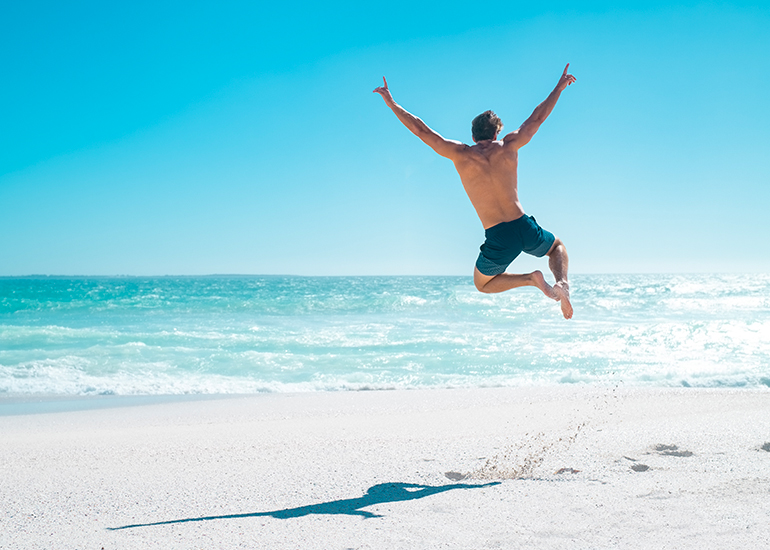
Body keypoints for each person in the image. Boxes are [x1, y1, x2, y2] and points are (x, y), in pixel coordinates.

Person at [373, 64, 576, 319]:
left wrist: (392, 104)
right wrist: (558, 87)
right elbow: (537, 118)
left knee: (483, 284)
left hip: (498, 236)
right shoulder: (508, 147)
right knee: (556, 247)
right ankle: (562, 283)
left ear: (473, 134)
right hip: (523, 225)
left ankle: (531, 280)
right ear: (495, 132)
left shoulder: (460, 154)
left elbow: (421, 131)